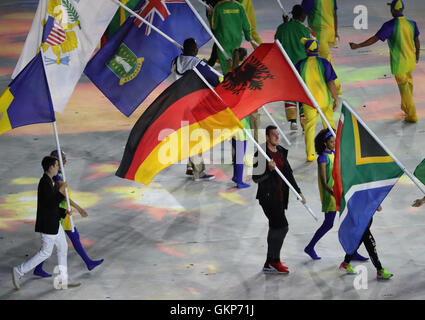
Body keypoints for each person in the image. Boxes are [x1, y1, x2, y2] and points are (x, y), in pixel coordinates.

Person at [12, 156, 80, 289]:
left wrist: (64, 212)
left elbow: (52, 205)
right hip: (48, 225)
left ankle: (63, 279)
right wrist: (61, 191)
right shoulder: (44, 183)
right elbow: (50, 203)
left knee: (63, 247)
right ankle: (19, 270)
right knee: (45, 252)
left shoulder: (50, 181)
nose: (58, 167)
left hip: (55, 223)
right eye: (56, 165)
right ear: (50, 167)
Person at [33, 150, 104, 278]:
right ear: (56, 161)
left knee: (63, 241)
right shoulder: (56, 176)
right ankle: (88, 263)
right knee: (71, 238)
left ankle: (38, 268)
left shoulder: (58, 173)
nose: (65, 160)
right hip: (60, 210)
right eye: (62, 158)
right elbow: (62, 195)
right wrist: (79, 208)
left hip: (62, 209)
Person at [349, 0, 420, 123]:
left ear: (392, 10)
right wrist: (417, 53)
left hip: (400, 63)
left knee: (404, 88)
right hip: (410, 60)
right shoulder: (411, 23)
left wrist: (358, 46)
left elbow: (374, 39)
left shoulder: (390, 25)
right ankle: (405, 107)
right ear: (402, 10)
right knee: (409, 84)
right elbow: (416, 39)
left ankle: (412, 114)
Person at [304, 129, 368, 261]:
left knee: (350, 221)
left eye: (334, 141)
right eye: (331, 142)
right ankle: (310, 247)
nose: (334, 144)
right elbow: (323, 180)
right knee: (328, 224)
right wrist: (332, 192)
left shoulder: (334, 154)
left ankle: (352, 252)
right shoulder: (323, 158)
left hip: (340, 192)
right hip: (331, 195)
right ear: (325, 143)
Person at [253, 125, 306, 273]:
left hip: (281, 196)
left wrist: (298, 192)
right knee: (282, 227)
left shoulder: (281, 151)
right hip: (268, 198)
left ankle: (269, 262)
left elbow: (288, 174)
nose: (277, 137)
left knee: (274, 227)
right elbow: (256, 178)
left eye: (278, 134)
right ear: (268, 137)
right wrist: (268, 170)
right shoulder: (261, 153)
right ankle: (275, 260)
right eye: (274, 135)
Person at [171, 38, 218, 181]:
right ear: (194, 50)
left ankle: (191, 167)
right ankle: (199, 172)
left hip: (179, 103)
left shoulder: (175, 62)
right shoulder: (197, 63)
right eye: (196, 48)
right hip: (195, 105)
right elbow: (214, 78)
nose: (198, 49)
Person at [295, 38, 338, 162]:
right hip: (324, 100)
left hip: (309, 102)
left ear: (307, 50)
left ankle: (310, 155)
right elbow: (331, 83)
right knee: (329, 126)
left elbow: (297, 84)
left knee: (309, 128)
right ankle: (334, 149)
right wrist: (335, 98)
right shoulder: (324, 62)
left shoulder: (300, 64)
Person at [275, 5, 313, 131]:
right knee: (302, 93)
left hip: (287, 66)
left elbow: (277, 41)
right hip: (302, 66)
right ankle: (303, 121)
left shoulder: (282, 28)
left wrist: (285, 24)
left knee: (290, 93)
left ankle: (293, 121)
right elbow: (313, 45)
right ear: (303, 16)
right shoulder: (305, 30)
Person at [339, 206, 394, 280]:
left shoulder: (369, 196)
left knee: (356, 244)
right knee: (371, 245)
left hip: (363, 225)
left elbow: (379, 209)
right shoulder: (363, 196)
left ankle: (345, 263)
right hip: (361, 225)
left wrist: (375, 203)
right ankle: (380, 270)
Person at [301, 0, 342, 94]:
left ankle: (336, 89)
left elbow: (302, 15)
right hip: (330, 32)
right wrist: (335, 32)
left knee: (325, 62)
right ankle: (331, 87)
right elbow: (335, 14)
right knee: (325, 61)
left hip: (319, 33)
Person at [228, 47, 251, 189]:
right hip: (241, 118)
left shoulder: (229, 74)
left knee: (237, 149)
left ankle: (236, 176)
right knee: (240, 153)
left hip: (231, 116)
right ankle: (239, 181)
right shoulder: (244, 76)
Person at [211, 0, 251, 74]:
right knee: (235, 59)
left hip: (223, 40)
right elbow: (246, 24)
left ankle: (228, 81)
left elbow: (214, 26)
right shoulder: (239, 7)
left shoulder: (218, 7)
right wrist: (248, 36)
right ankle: (236, 77)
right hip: (236, 40)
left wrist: (211, 14)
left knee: (226, 64)